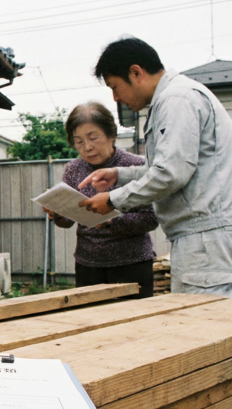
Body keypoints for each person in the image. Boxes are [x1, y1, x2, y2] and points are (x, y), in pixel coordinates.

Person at [78, 37, 232, 296]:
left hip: (206, 240)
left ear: (136, 72)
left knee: (203, 326)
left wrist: (113, 200)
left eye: (115, 87)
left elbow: (171, 174)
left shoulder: (177, 100)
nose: (116, 97)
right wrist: (119, 174)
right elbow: (165, 167)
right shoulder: (173, 99)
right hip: (203, 238)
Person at [43, 102, 158, 298]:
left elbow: (151, 218)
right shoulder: (73, 169)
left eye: (93, 137)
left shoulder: (135, 166)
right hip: (88, 265)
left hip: (132, 264)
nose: (87, 147)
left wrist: (111, 221)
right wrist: (58, 214)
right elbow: (68, 221)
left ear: (111, 134)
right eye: (78, 141)